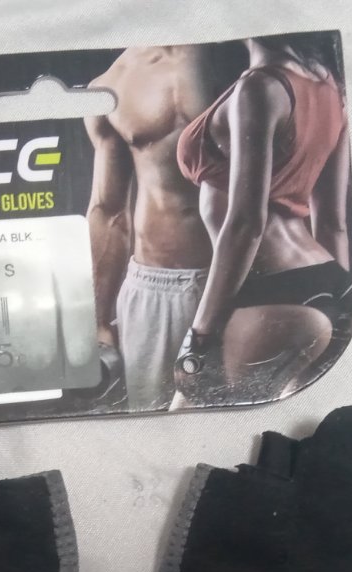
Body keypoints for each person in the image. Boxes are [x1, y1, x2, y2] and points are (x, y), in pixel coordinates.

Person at [172, 35, 352, 404]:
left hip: (271, 289)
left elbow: (246, 222)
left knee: (187, 418)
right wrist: (341, 305)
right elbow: (332, 222)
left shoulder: (259, 88)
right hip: (331, 282)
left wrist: (199, 336)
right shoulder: (332, 90)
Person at [84, 45, 223, 411]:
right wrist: (99, 320)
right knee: (155, 426)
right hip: (155, 290)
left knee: (248, 421)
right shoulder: (113, 83)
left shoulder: (245, 58)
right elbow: (108, 210)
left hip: (244, 284)